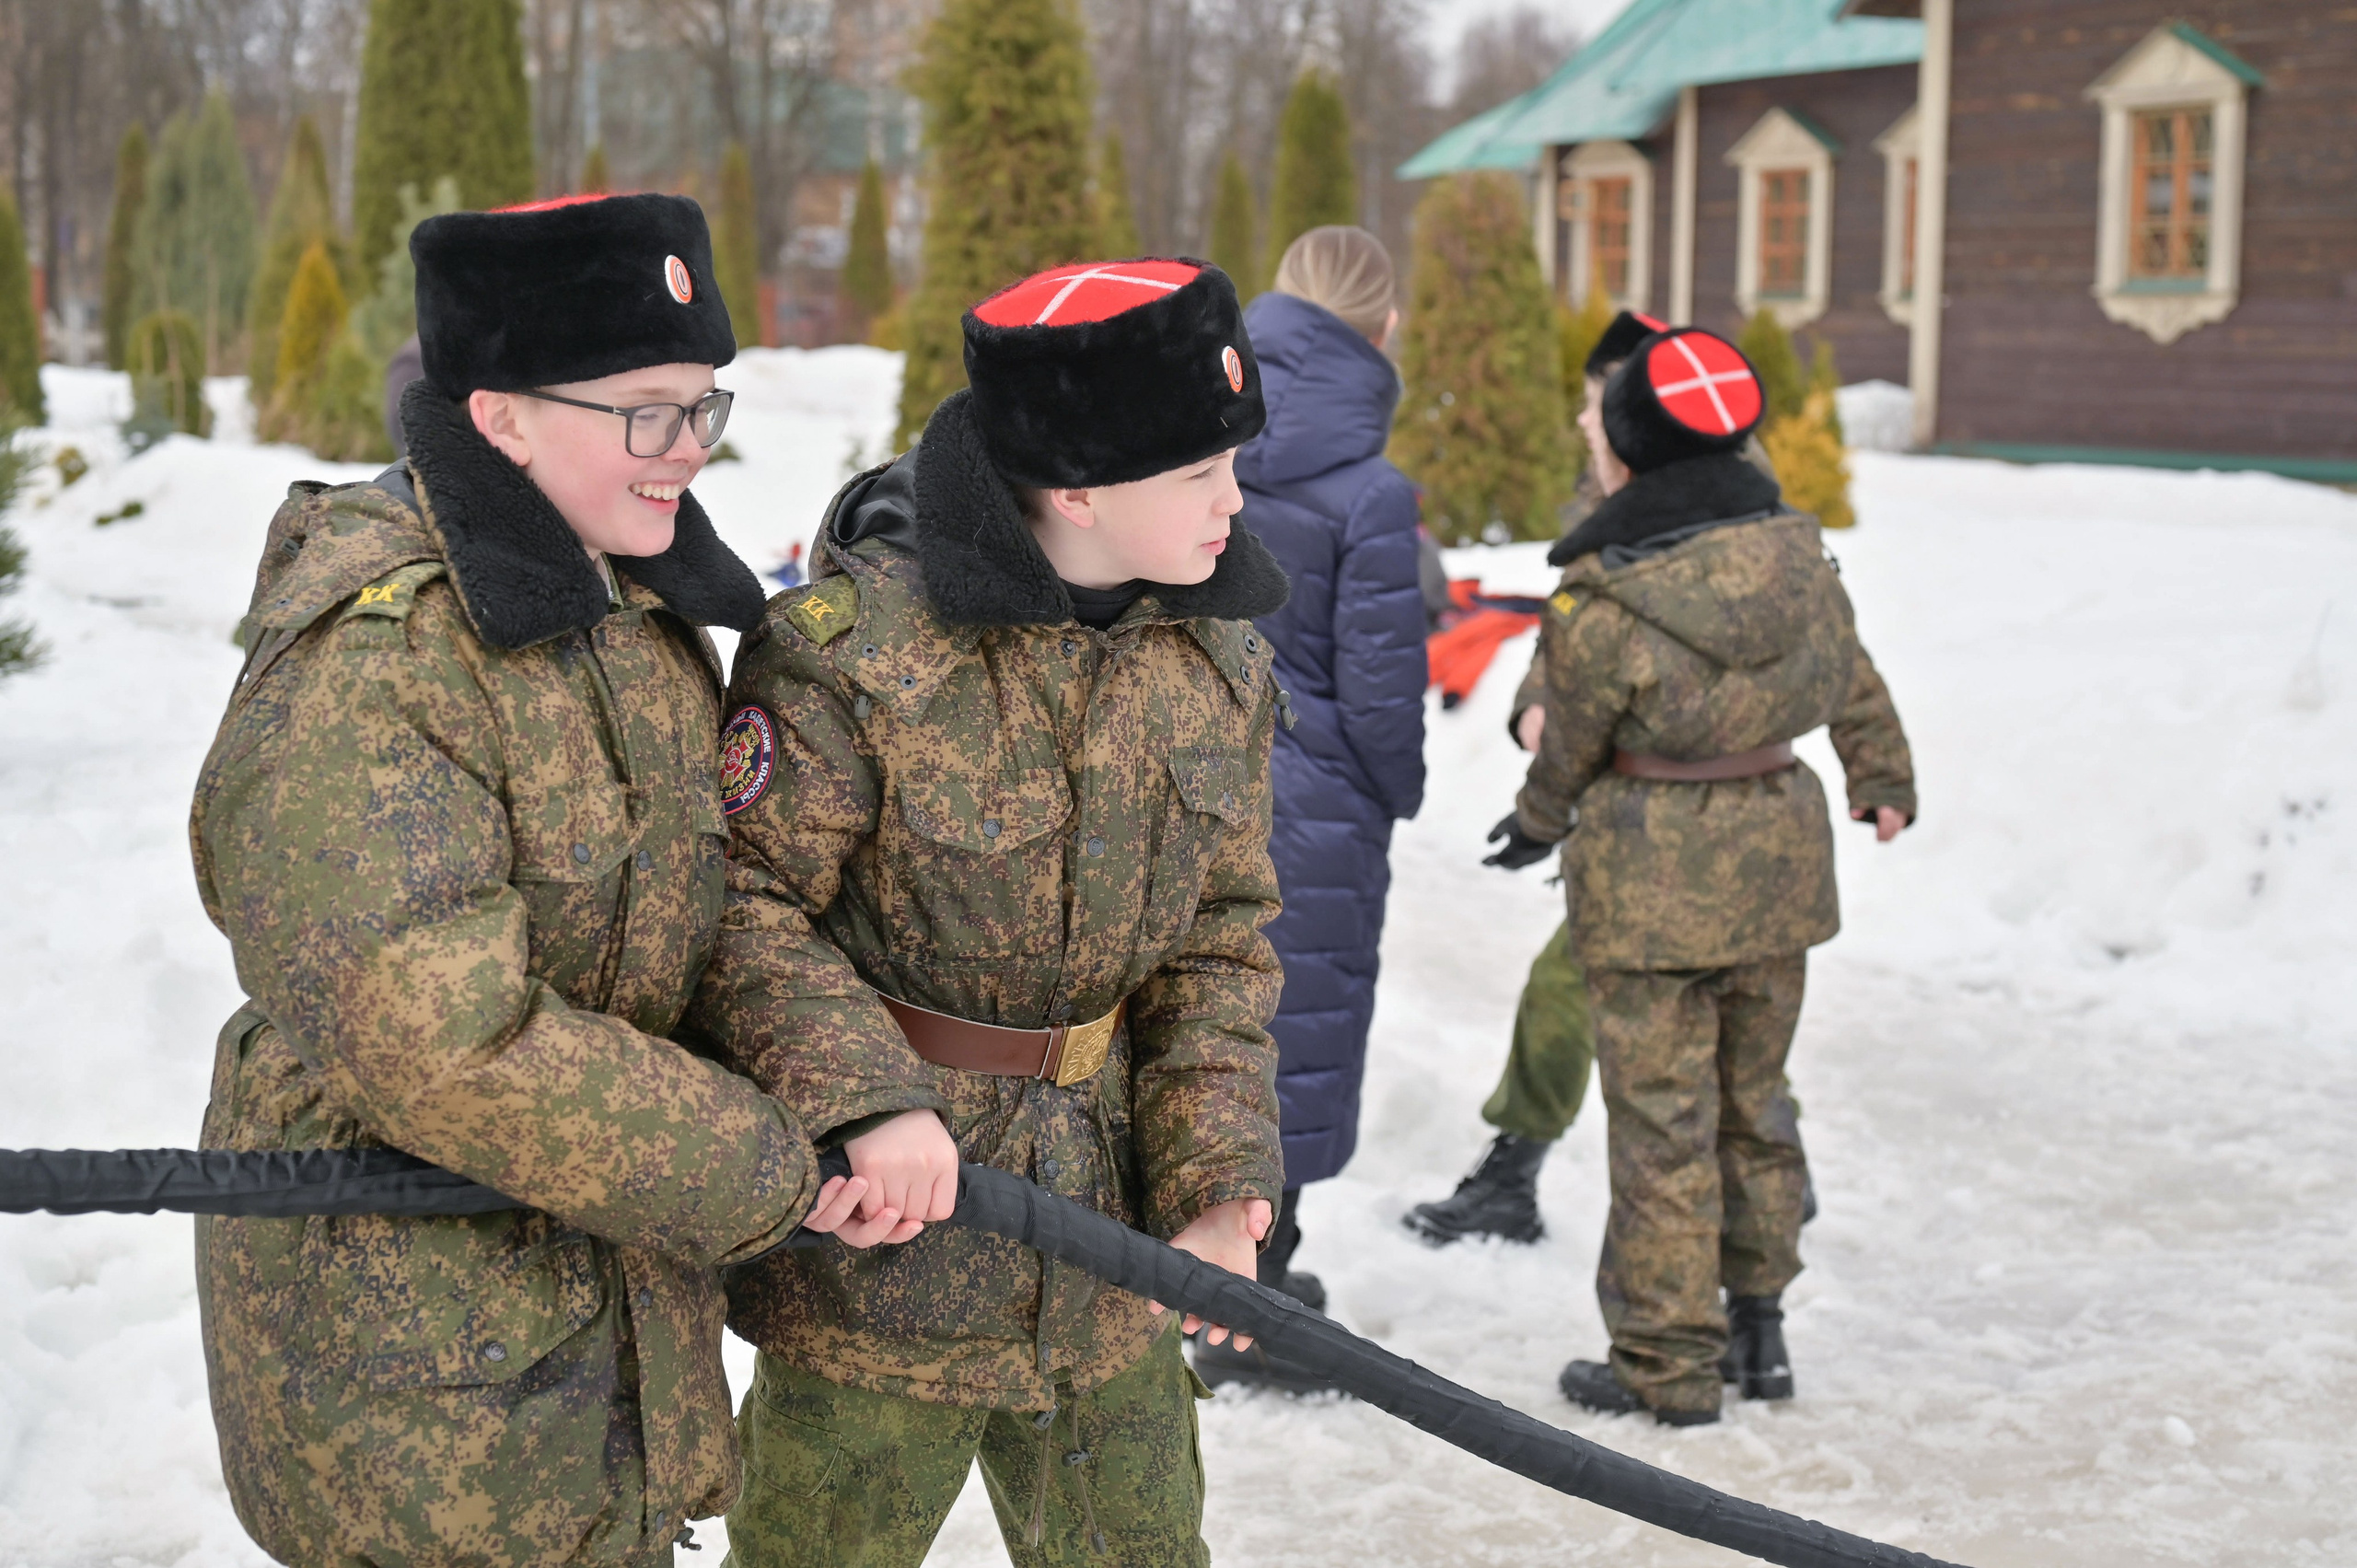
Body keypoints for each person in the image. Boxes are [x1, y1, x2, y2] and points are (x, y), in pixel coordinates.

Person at [187, 192, 884, 1567]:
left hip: (596, 1324)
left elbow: (707, 914)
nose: (689, 448)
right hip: (424, 1384)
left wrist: (852, 1091)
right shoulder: (380, 664)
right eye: (645, 411)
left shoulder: (626, 608)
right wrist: (758, 1165)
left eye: (703, 404)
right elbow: (441, 1040)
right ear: (500, 417)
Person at [686, 258, 1291, 1563]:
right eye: (1199, 471)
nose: (1234, 500)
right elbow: (740, 904)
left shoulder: (1215, 658)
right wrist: (864, 1099)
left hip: (1114, 1259)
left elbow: (1218, 943)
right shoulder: (855, 654)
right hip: (886, 1258)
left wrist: (1214, 1181)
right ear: (1077, 486)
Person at [1480, 319, 1915, 1426]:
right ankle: (1759, 1327)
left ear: (1632, 451)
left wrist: (1534, 822)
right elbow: (1850, 671)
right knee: (1753, 1103)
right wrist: (1880, 772)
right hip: (1777, 864)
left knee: (1663, 1124)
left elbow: (1571, 743)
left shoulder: (1605, 594)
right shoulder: (1798, 557)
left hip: (1651, 884)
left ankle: (1665, 1361)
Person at [1189, 226, 1424, 1394]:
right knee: (1300, 1028)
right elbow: (1382, 687)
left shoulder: (1200, 440)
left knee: (1206, 1021)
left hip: (1196, 770)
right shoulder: (1371, 492)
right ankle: (1255, 1305)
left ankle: (1208, 1275)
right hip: (1318, 788)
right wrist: (1397, 789)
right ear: (1384, 329)